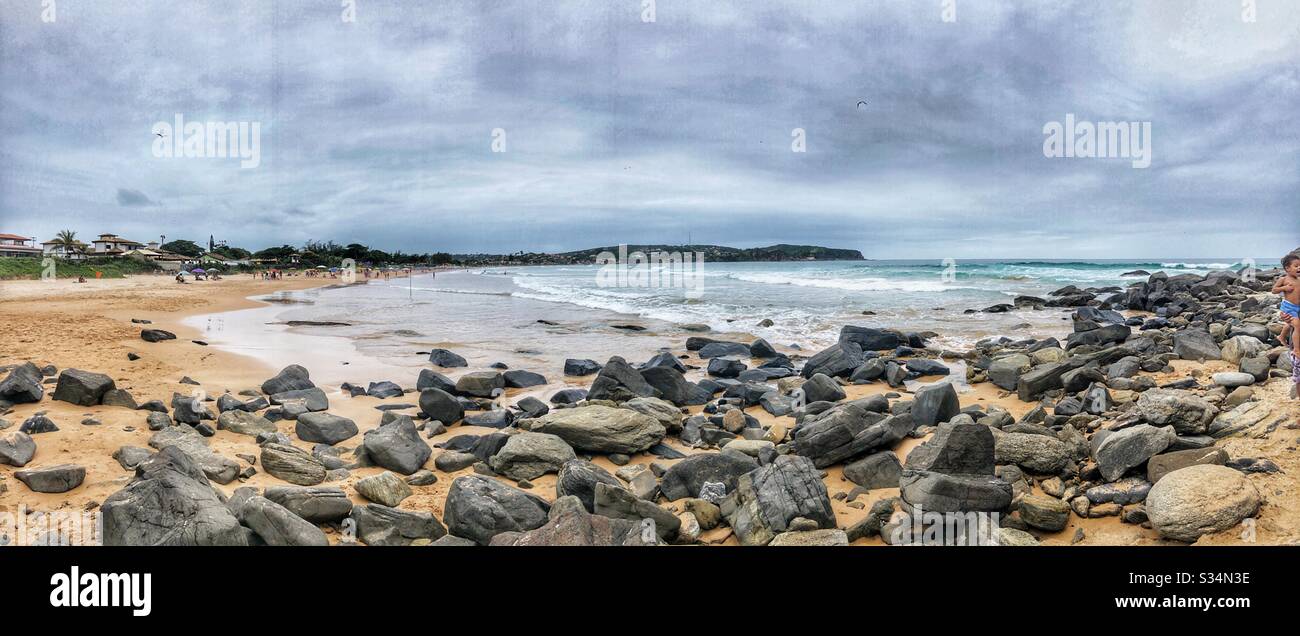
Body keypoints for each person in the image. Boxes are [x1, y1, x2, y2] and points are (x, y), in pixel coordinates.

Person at [1272, 252, 1300, 395]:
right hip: (1288, 306)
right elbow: (1273, 290)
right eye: (1296, 266)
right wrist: (1284, 289)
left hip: (1298, 307)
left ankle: (1282, 337)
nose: (1299, 268)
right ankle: (1296, 349)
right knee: (1296, 325)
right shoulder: (1284, 279)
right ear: (1287, 268)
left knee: (1290, 325)